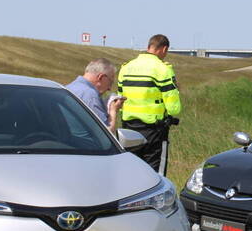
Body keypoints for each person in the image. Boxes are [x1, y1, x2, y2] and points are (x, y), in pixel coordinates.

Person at [117, 34, 182, 174]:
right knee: (155, 173)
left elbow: (120, 97)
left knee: (132, 170)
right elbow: (174, 108)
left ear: (149, 47)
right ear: (164, 49)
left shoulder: (126, 67)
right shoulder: (163, 69)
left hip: (128, 128)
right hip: (154, 129)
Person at [65, 58, 124, 132]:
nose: (109, 88)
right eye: (110, 82)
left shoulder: (68, 87)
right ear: (101, 77)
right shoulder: (90, 95)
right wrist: (113, 110)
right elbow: (106, 133)